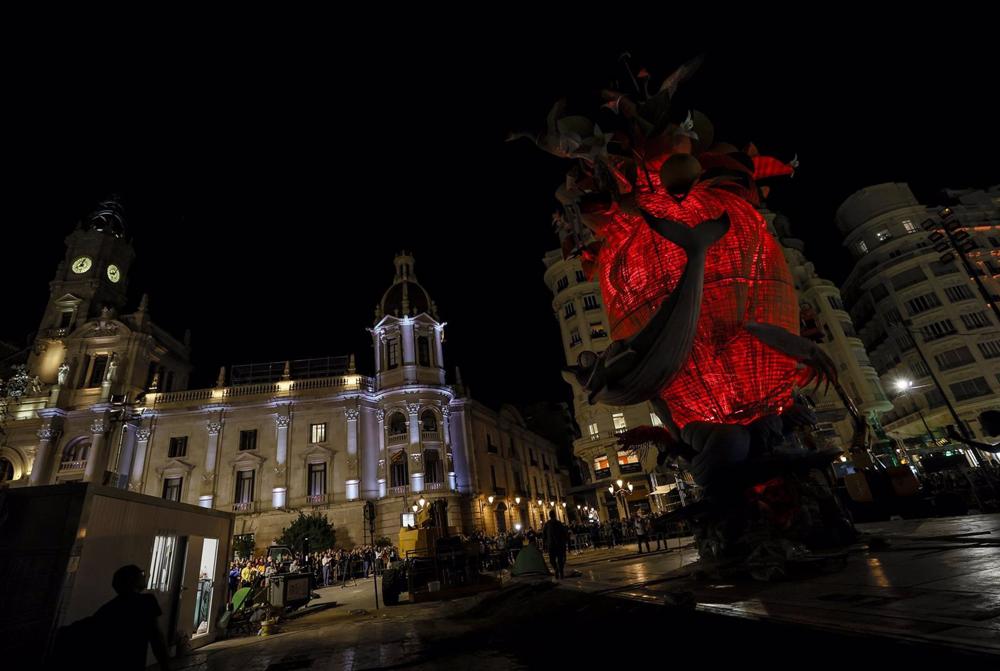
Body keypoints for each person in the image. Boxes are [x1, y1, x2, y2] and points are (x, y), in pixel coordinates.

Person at [94, 565, 171, 670]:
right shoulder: (147, 601)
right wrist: (165, 666)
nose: (145, 576)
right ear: (134, 580)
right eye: (142, 573)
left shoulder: (107, 609)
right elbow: (157, 637)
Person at [542, 509, 569, 579]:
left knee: (552, 560)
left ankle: (557, 569)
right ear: (555, 515)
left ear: (549, 516)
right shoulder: (559, 523)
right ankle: (560, 572)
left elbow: (544, 536)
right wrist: (566, 541)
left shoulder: (547, 524)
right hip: (559, 544)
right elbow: (564, 533)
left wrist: (544, 544)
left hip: (552, 545)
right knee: (560, 560)